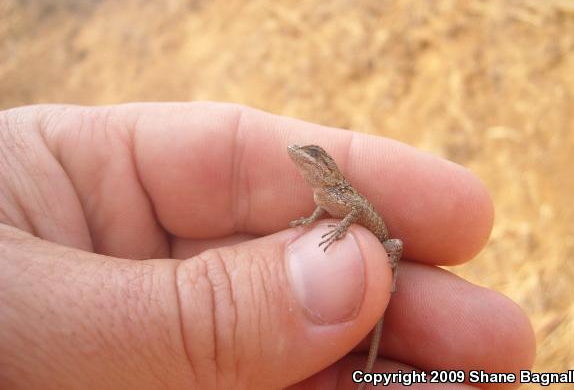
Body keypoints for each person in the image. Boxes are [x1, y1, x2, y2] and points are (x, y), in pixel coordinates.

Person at [0, 102, 534, 389]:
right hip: (354, 252)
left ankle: (384, 304)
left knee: (391, 250)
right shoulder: (324, 192)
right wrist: (312, 217)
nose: (300, 160)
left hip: (383, 251)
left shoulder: (344, 191)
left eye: (310, 158)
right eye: (304, 160)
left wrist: (351, 234)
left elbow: (354, 213)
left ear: (325, 166)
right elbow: (325, 208)